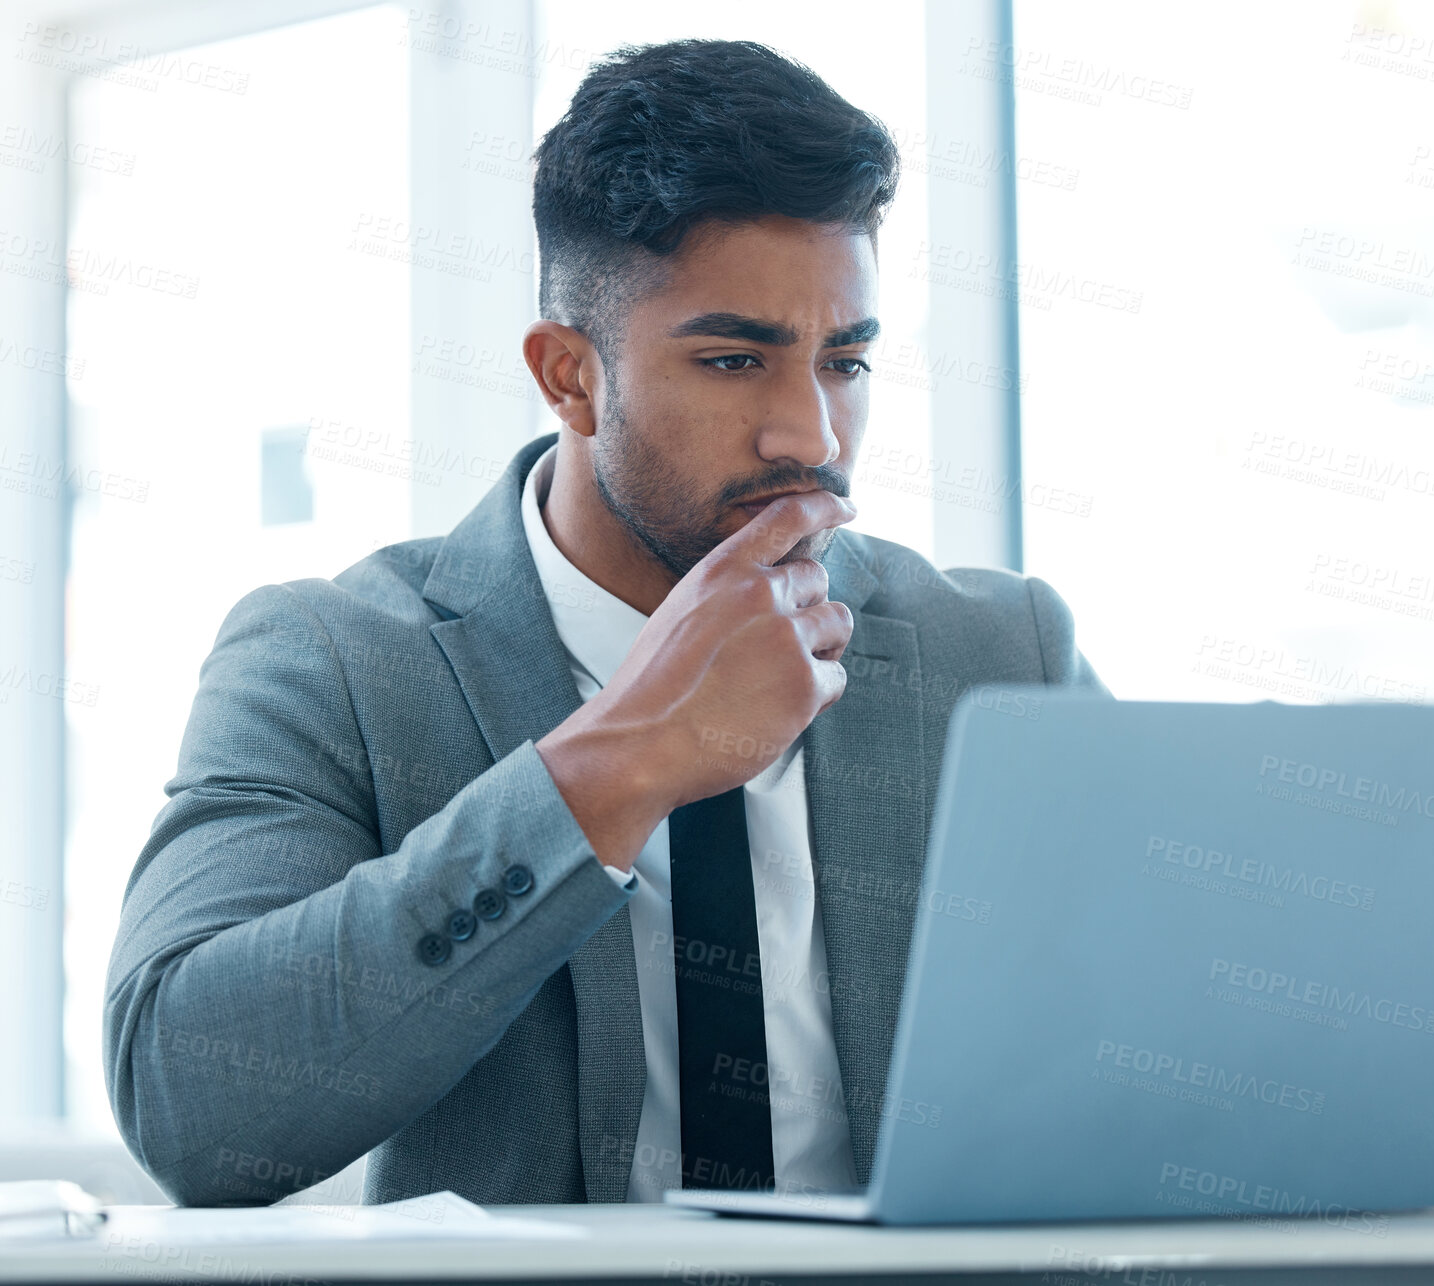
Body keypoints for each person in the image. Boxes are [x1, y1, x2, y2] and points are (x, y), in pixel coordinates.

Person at [103, 37, 1108, 1209]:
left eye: (845, 360)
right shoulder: (335, 660)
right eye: (736, 359)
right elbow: (190, 1104)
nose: (811, 436)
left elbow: (1181, 1048)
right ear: (568, 375)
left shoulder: (1002, 654)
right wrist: (616, 765)